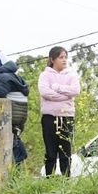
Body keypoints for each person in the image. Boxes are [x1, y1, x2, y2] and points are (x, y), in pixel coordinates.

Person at [38, 46, 80, 176]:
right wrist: (65, 97)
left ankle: (66, 180)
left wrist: (57, 87)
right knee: (50, 152)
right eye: (61, 57)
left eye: (65, 57)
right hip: (49, 117)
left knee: (65, 152)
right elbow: (45, 92)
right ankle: (49, 180)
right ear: (52, 59)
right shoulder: (45, 75)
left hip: (67, 117)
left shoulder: (71, 75)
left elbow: (76, 91)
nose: (64, 60)